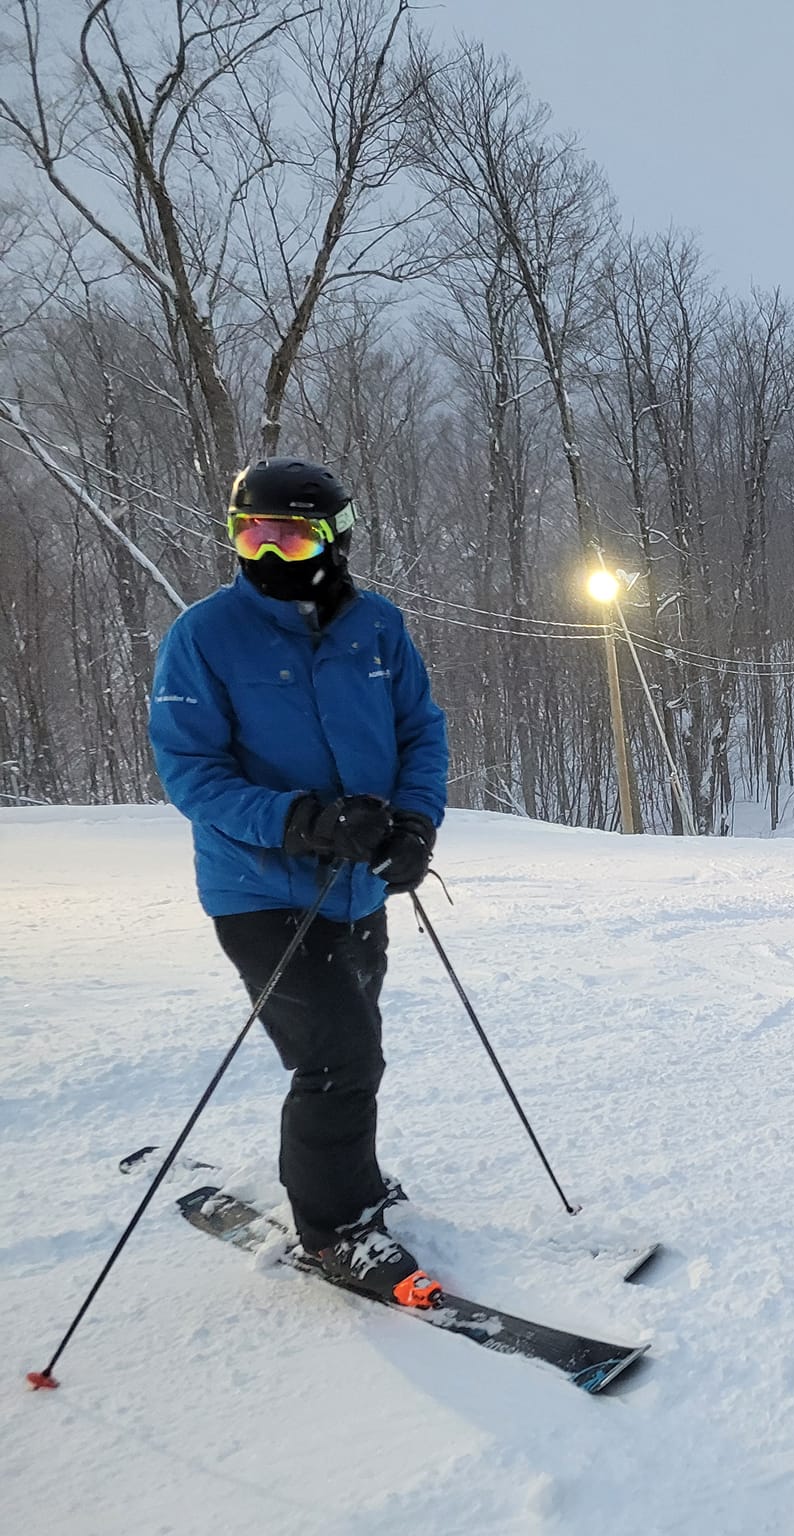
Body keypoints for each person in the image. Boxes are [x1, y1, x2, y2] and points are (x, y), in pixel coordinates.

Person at [148, 457, 449, 1304]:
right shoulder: (205, 635)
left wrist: (415, 823)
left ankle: (347, 1179)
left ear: (335, 538)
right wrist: (300, 819)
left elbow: (422, 732)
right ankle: (336, 1232)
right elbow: (191, 773)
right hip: (259, 889)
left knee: (349, 1047)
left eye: (291, 536)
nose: (269, 555)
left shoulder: (379, 628)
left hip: (357, 888)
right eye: (251, 534)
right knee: (340, 1054)